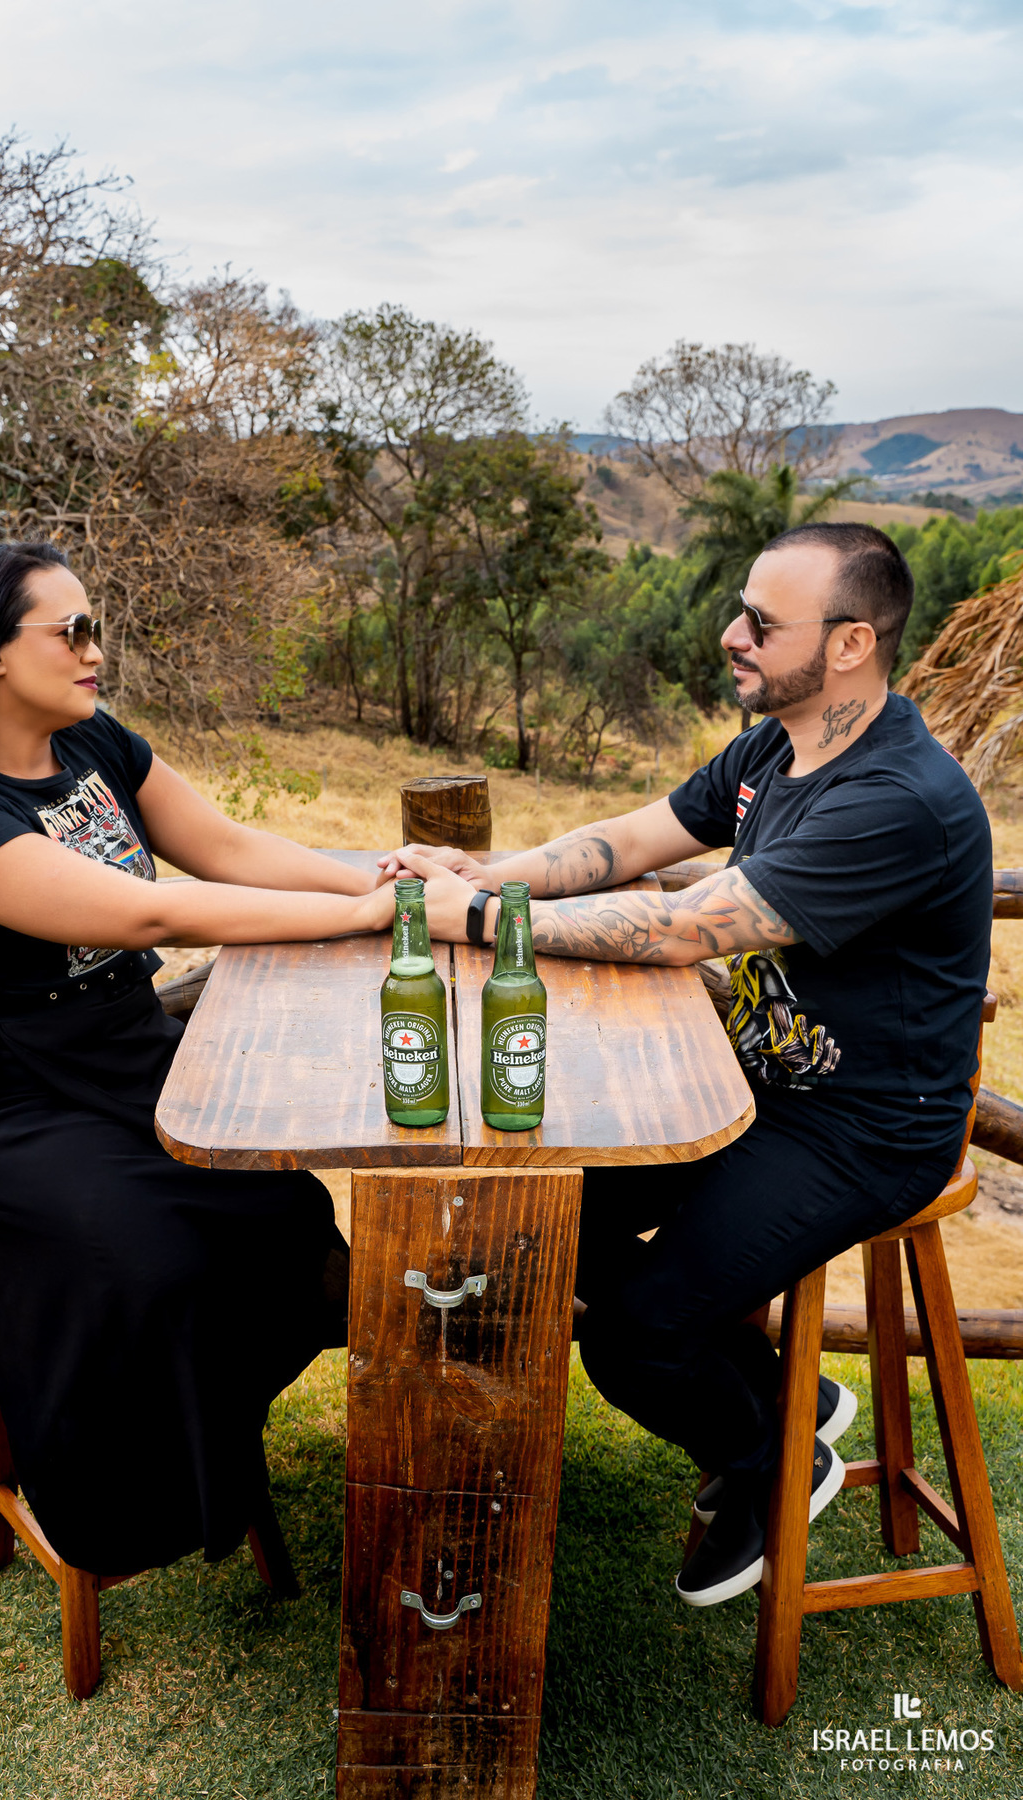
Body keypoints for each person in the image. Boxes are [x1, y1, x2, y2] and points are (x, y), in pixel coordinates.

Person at [382, 522, 992, 1608]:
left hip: (866, 1130)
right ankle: (773, 1407)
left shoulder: (895, 798)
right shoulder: (781, 744)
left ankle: (767, 1455)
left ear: (851, 643)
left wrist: (475, 915)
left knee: (637, 1334)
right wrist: (488, 870)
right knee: (544, 1216)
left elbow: (681, 929)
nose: (732, 635)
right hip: (757, 1089)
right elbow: (637, 838)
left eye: (762, 622)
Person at [0, 541, 395, 1576]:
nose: (94, 650)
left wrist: (365, 878)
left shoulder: (95, 743)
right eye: (69, 631)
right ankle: (129, 1508)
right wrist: (357, 914)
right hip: (19, 1103)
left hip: (130, 1054)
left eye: (94, 625)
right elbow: (149, 907)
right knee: (151, 1268)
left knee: (284, 1219)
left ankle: (214, 1446)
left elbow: (229, 847)